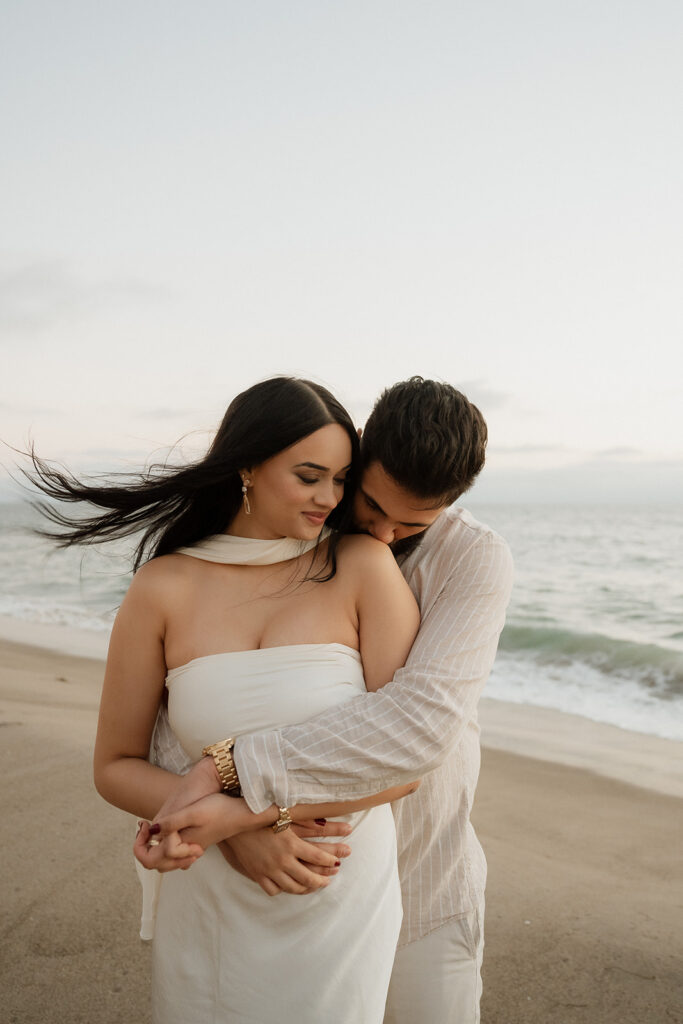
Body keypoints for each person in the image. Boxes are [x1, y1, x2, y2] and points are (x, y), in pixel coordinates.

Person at [26, 376, 421, 1024]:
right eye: (308, 475)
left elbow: (405, 761)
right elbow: (115, 765)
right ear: (247, 465)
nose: (329, 497)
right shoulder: (164, 586)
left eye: (341, 480)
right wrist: (228, 833)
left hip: (335, 885)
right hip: (210, 882)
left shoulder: (362, 566)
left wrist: (242, 819)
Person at [150, 377, 514, 1024]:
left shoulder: (474, 559)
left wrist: (236, 785)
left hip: (425, 873)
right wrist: (232, 829)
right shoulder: (305, 531)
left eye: (412, 524)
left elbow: (420, 724)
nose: (382, 532)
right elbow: (192, 706)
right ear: (360, 456)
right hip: (286, 881)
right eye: (371, 505)